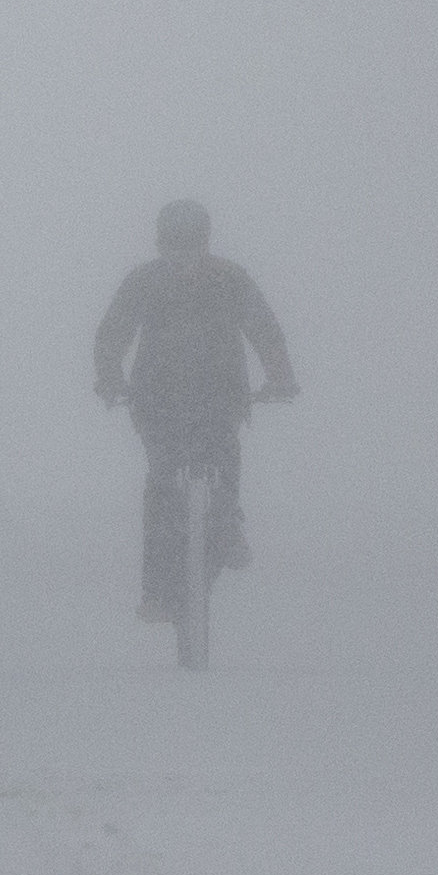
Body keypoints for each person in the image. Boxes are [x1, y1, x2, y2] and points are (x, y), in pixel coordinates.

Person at [94, 199, 297, 622]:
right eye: (173, 245)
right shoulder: (146, 282)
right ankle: (157, 592)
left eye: (190, 245)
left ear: (205, 242)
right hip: (156, 400)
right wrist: (110, 376)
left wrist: (280, 376)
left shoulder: (230, 279)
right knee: (162, 486)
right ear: (160, 244)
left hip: (219, 396)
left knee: (223, 454)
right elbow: (113, 332)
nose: (182, 255)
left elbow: (265, 330)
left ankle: (225, 527)